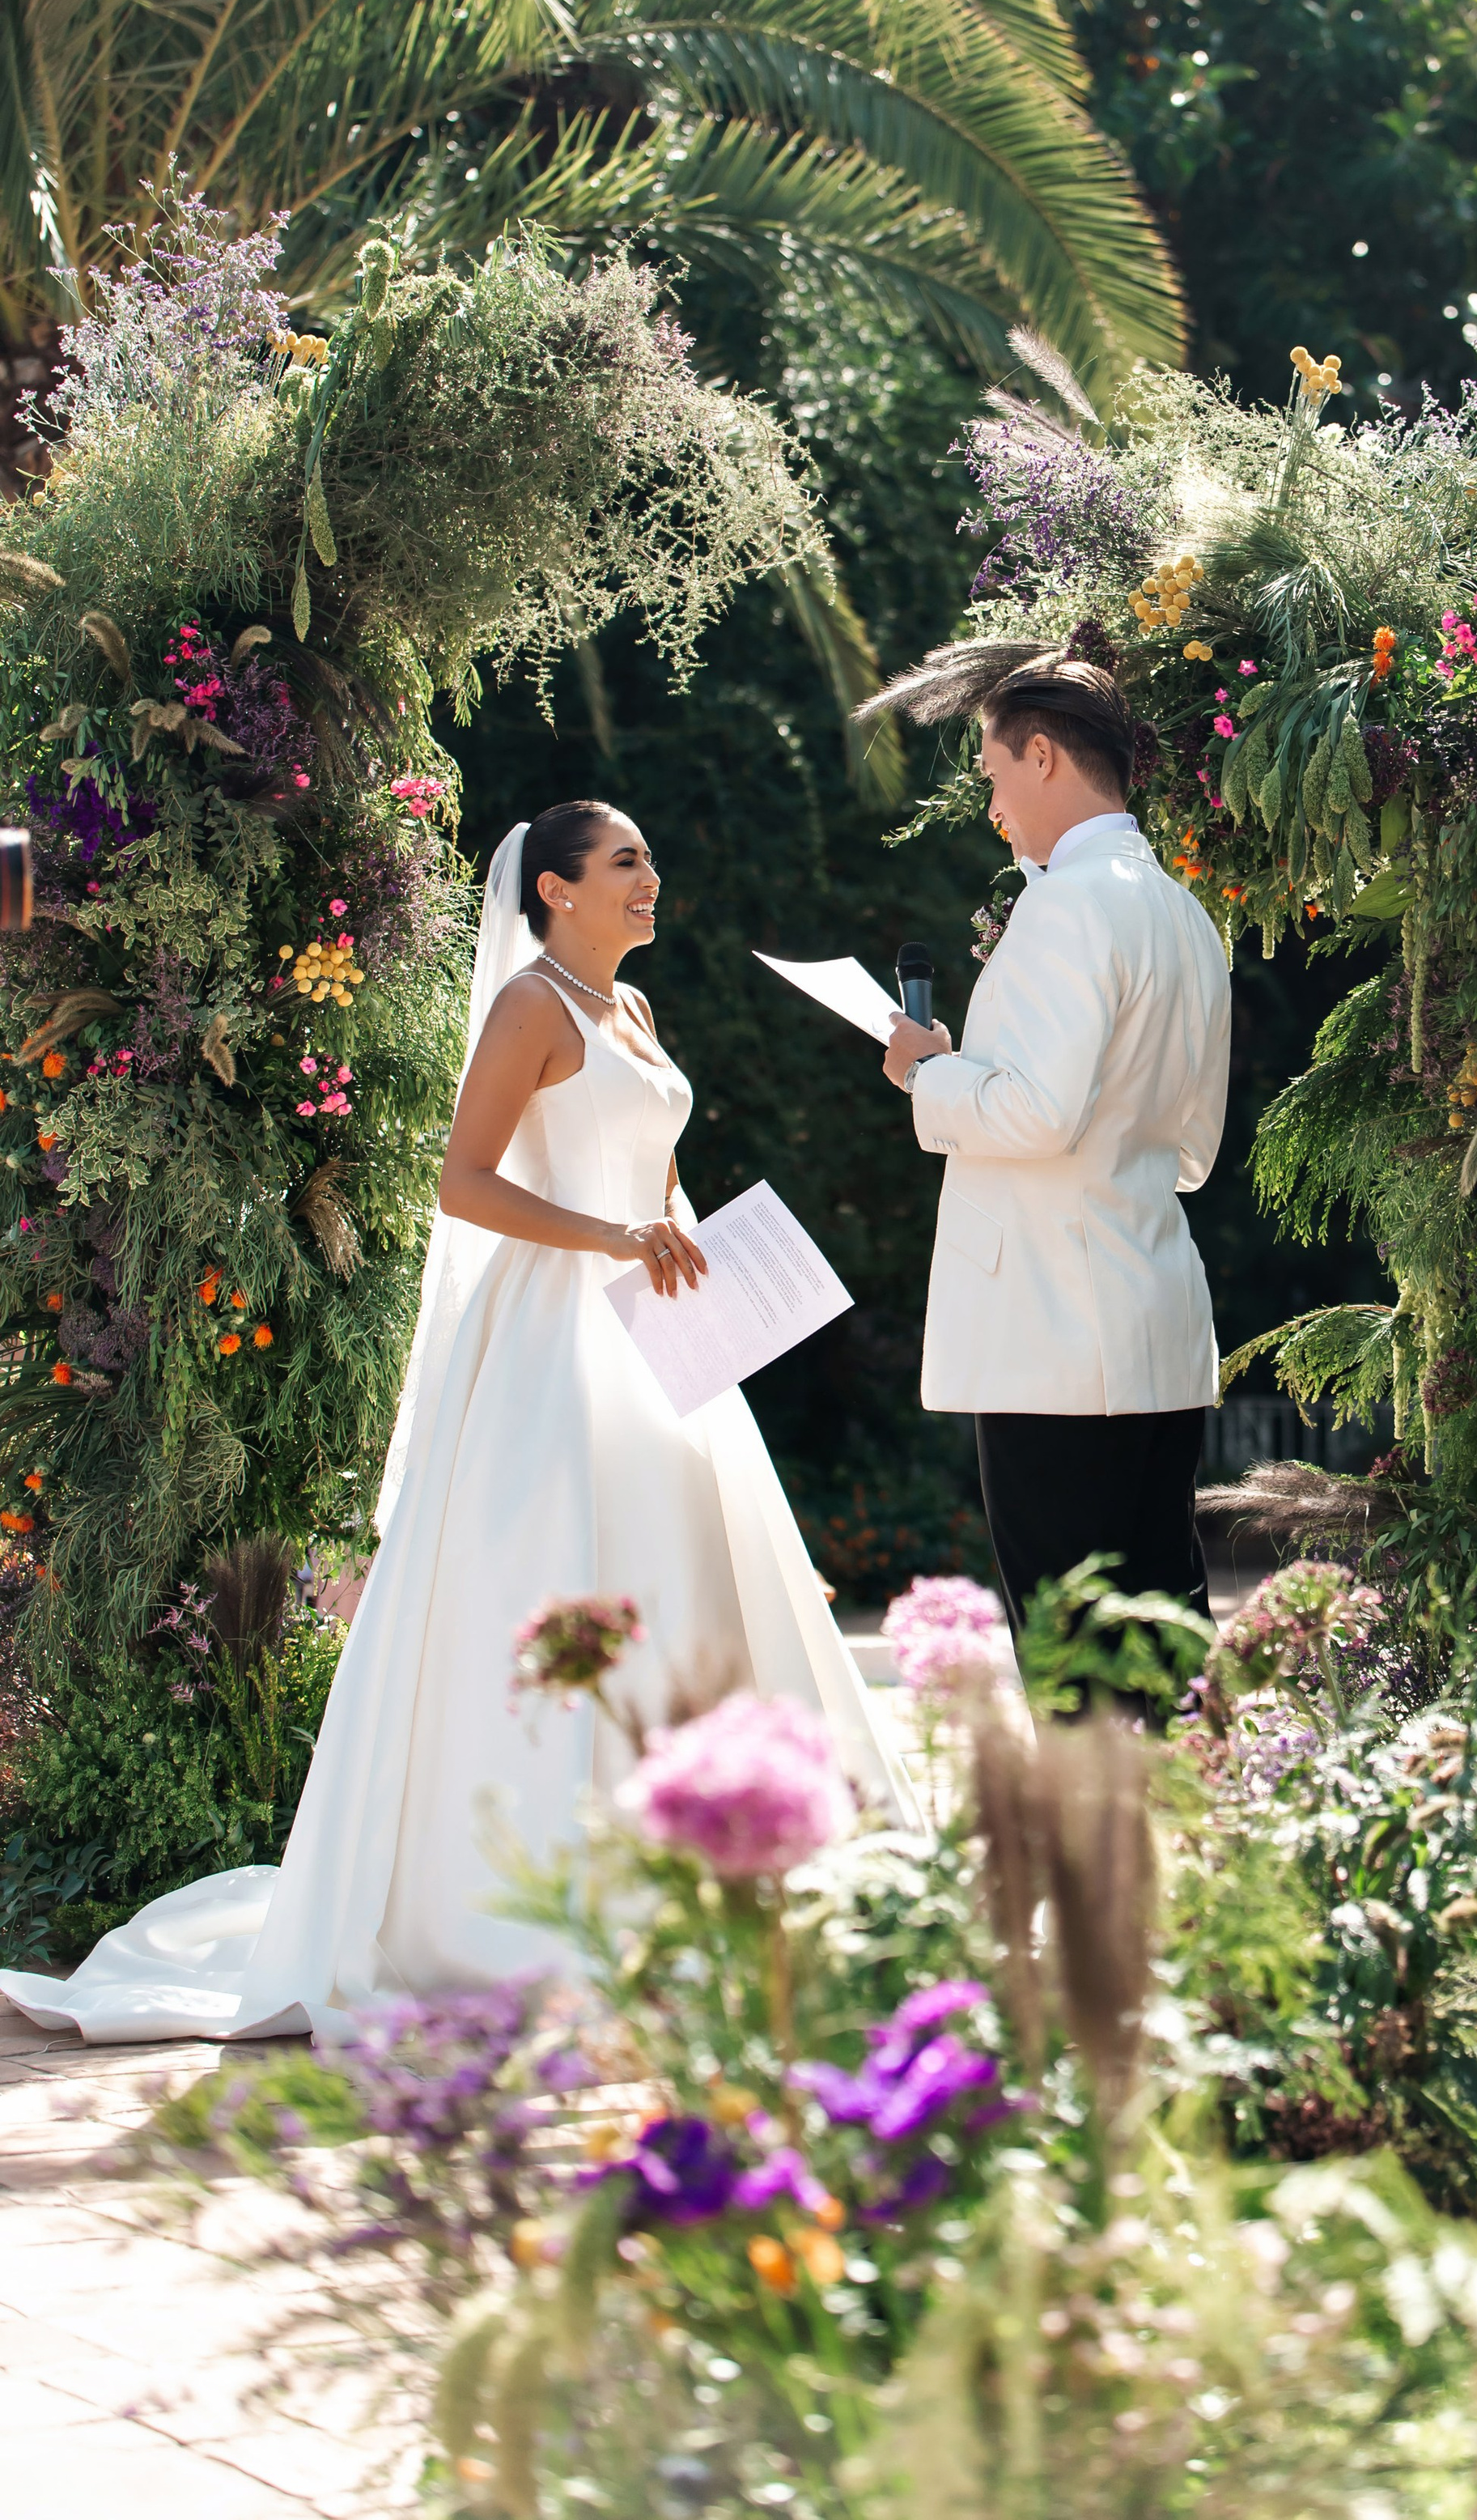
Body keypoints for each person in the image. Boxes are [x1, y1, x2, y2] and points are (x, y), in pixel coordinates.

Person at [0, 806, 911, 2044]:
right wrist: (611, 1238)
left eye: (651, 856)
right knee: (549, 1581)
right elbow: (464, 1180)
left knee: (687, 1583)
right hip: (550, 1339)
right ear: (556, 889)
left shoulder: (631, 1014)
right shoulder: (532, 1007)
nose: (654, 877)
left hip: (654, 1335)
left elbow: (649, 1171)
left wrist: (688, 1226)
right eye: (629, 861)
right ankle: (523, 1906)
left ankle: (695, 1883)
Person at [868, 650, 1232, 1625]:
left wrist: (928, 1074)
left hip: (1056, 1335)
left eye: (991, 774)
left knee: (1071, 1645)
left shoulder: (1067, 904)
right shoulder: (1185, 914)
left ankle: (1095, 1792)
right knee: (1164, 1636)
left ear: (1040, 756)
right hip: (1151, 1313)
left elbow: (1034, 1113)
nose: (994, 804)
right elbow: (1193, 1149)